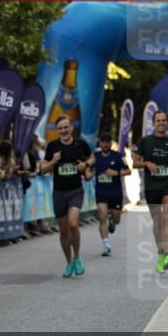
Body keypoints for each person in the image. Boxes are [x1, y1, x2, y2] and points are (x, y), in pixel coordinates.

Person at [40, 115, 94, 277]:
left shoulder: (80, 144)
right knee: (63, 230)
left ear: (71, 128)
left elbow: (93, 158)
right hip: (59, 193)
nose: (63, 131)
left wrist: (85, 164)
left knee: (73, 223)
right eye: (60, 128)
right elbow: (42, 168)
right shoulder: (52, 146)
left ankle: (77, 257)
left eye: (66, 127)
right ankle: (69, 262)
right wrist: (53, 162)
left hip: (75, 190)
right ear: (57, 130)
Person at [134, 111, 168, 274]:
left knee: (166, 215)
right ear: (153, 123)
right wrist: (147, 163)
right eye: (158, 120)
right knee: (157, 221)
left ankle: (167, 255)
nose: (161, 123)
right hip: (151, 186)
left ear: (167, 123)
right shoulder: (144, 141)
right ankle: (160, 253)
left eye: (163, 120)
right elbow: (135, 163)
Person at [94, 133, 130, 256]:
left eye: (107, 142)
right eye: (103, 142)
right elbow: (89, 169)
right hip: (101, 192)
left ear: (110, 143)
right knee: (102, 216)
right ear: (100, 143)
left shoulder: (118, 156)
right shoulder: (95, 156)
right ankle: (106, 245)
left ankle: (112, 221)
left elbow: (128, 171)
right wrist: (87, 173)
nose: (105, 144)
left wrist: (116, 173)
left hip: (115, 193)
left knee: (117, 219)